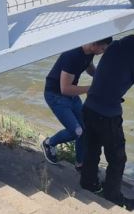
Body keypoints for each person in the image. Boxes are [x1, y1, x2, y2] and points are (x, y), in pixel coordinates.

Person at [80, 26, 134, 211]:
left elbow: (118, 70)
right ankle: (112, 196)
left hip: (89, 107)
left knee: (92, 149)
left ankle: (88, 184)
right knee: (117, 158)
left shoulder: (118, 44)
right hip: (108, 114)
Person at [41, 38, 113, 170]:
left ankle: (80, 163)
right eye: (103, 49)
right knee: (77, 131)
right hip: (55, 95)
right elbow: (65, 89)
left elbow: (89, 66)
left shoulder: (90, 52)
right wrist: (92, 89)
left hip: (71, 95)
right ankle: (48, 143)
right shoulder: (72, 56)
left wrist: (101, 78)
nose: (103, 52)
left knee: (85, 128)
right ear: (94, 43)